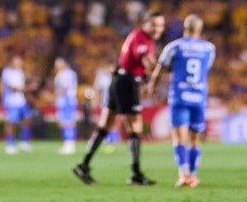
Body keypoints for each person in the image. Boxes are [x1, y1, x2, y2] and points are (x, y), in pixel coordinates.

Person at [74, 10, 166, 185]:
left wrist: (147, 78)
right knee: (135, 127)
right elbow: (148, 62)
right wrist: (163, 71)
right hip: (126, 83)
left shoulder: (140, 37)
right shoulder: (141, 38)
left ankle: (83, 165)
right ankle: (136, 173)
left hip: (119, 80)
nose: (158, 28)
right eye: (154, 24)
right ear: (144, 23)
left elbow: (138, 63)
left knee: (105, 125)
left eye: (161, 25)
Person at [146, 14, 216, 188]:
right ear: (200, 29)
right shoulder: (209, 48)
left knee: (179, 138)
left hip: (179, 96)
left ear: (184, 28)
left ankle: (183, 174)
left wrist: (151, 86)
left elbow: (160, 68)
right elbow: (205, 68)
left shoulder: (174, 47)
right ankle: (192, 176)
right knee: (195, 139)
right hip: (199, 97)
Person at [1, 54, 33, 154]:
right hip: (11, 102)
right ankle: (10, 144)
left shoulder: (20, 72)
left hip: (21, 101)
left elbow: (21, 86)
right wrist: (28, 88)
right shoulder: (7, 72)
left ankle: (24, 142)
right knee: (12, 122)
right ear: (11, 62)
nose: (20, 63)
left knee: (28, 118)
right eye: (17, 61)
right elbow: (13, 88)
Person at [53, 57, 79, 155]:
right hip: (65, 100)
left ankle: (69, 144)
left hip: (66, 100)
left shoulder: (66, 74)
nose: (57, 66)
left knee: (67, 122)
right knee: (65, 122)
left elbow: (64, 88)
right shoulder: (67, 73)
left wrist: (54, 96)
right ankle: (68, 143)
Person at [92, 65, 121, 152]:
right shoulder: (103, 78)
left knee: (114, 123)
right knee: (105, 123)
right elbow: (97, 89)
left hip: (118, 104)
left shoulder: (119, 77)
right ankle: (109, 141)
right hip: (106, 104)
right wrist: (96, 100)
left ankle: (113, 142)